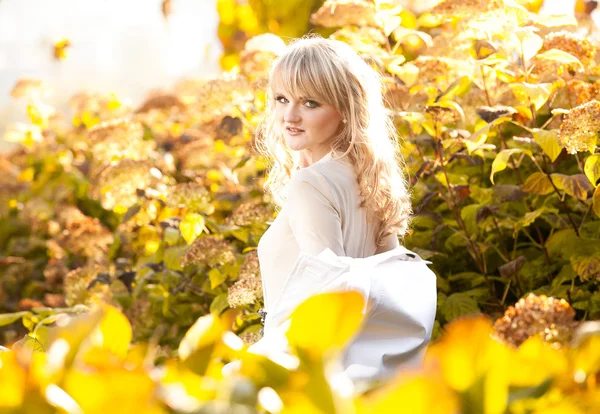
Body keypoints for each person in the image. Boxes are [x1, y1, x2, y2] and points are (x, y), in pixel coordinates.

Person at [254, 34, 413, 318]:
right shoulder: (369, 177)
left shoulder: (311, 184)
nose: (289, 116)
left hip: (312, 357)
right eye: (282, 99)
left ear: (345, 109)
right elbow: (394, 286)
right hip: (363, 355)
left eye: (310, 103)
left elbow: (332, 299)